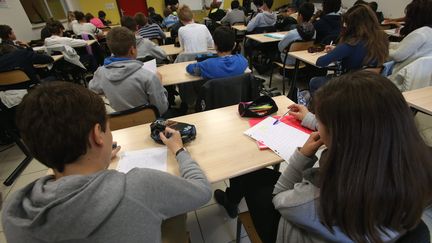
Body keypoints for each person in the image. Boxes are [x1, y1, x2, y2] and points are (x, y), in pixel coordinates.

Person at [215, 71, 432, 243]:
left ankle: (230, 200)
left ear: (338, 135)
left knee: (251, 174)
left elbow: (280, 198)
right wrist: (311, 119)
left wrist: (302, 156)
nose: (318, 124)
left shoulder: (319, 197)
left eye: (322, 121)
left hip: (286, 231)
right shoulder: (411, 170)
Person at [1, 81, 212, 243]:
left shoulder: (15, 212)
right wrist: (179, 149)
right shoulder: (141, 185)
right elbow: (202, 191)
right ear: (97, 135)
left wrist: (97, 162)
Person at [309, 4, 389, 94]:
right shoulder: (382, 39)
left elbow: (320, 62)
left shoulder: (351, 44)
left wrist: (338, 50)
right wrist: (337, 49)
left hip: (349, 85)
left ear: (351, 25)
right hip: (371, 85)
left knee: (314, 82)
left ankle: (322, 107)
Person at [89, 27, 169, 115]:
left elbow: (93, 91)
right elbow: (161, 109)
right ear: (132, 50)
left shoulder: (100, 73)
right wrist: (159, 84)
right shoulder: (149, 77)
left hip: (119, 125)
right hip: (147, 124)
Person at [388, 0, 432, 80]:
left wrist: (382, 49)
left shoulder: (420, 33)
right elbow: (405, 46)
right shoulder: (428, 31)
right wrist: (389, 45)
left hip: (400, 78)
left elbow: (397, 56)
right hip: (420, 79)